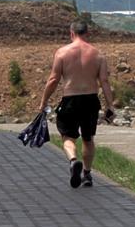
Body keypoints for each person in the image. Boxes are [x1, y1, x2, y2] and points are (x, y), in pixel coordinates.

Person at [39, 20, 114, 188]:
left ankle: (73, 161)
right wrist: (110, 105)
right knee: (88, 138)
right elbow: (104, 81)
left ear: (71, 33)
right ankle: (87, 174)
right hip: (91, 100)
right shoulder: (98, 54)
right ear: (87, 34)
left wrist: (44, 101)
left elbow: (53, 79)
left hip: (70, 99)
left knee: (68, 137)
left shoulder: (62, 53)